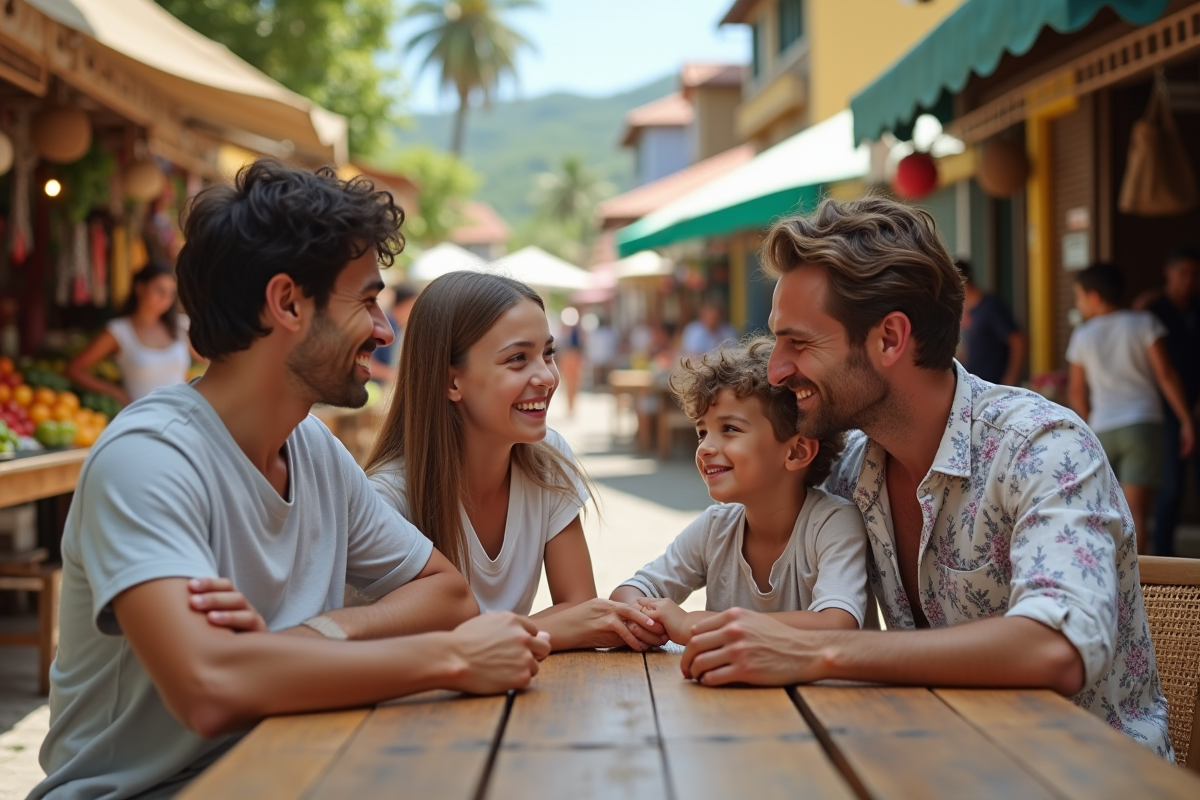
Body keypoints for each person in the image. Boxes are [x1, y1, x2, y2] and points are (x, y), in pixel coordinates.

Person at [33, 161, 550, 800]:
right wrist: (452, 660)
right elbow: (210, 688)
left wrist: (305, 639)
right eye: (366, 301)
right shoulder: (149, 459)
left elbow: (447, 596)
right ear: (287, 303)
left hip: (291, 764)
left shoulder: (312, 449)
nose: (386, 331)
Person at [678, 196, 1174, 759]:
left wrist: (821, 653)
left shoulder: (1041, 447)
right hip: (945, 763)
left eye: (800, 342)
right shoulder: (846, 473)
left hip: (1088, 776)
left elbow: (1056, 648)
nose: (776, 369)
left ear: (889, 338)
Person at [366, 271, 667, 652]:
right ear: (451, 381)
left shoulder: (547, 460)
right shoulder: (388, 496)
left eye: (548, 353)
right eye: (517, 359)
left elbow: (580, 606)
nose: (546, 376)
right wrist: (554, 628)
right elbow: (413, 648)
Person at [609, 337, 868, 644]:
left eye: (729, 429)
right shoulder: (716, 527)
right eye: (702, 432)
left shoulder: (833, 523)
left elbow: (836, 625)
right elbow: (631, 592)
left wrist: (696, 623)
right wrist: (644, 619)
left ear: (797, 452)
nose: (705, 448)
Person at [1067, 262, 1194, 553]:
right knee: (1135, 514)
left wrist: (1088, 426)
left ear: (1095, 296)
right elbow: (1166, 374)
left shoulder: (1082, 335)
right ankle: (1139, 587)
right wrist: (1186, 420)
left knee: (1103, 509)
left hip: (1102, 428)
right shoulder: (1144, 323)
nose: (1078, 303)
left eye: (1079, 296)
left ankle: (1107, 583)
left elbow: (1076, 391)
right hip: (1142, 425)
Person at [1134, 246, 1200, 556]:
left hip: (1196, 404)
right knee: (1170, 487)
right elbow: (1160, 370)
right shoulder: (1151, 310)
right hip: (1164, 409)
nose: (1189, 280)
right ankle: (1164, 557)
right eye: (1182, 272)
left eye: (1194, 274)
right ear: (1168, 273)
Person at [66, 261, 193, 406]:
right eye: (159, 290)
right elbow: (74, 369)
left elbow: (210, 360)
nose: (165, 298)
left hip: (182, 417)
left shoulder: (181, 326)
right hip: (141, 421)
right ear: (140, 288)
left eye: (171, 293)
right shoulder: (119, 331)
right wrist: (115, 392)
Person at [957, 259, 1026, 385]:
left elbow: (1018, 341)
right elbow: (972, 348)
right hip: (976, 385)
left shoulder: (991, 308)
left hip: (994, 386)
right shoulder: (970, 311)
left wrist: (1011, 378)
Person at [369, 284, 419, 383]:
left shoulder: (397, 327)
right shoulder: (385, 325)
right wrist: (397, 375)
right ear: (406, 304)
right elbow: (366, 364)